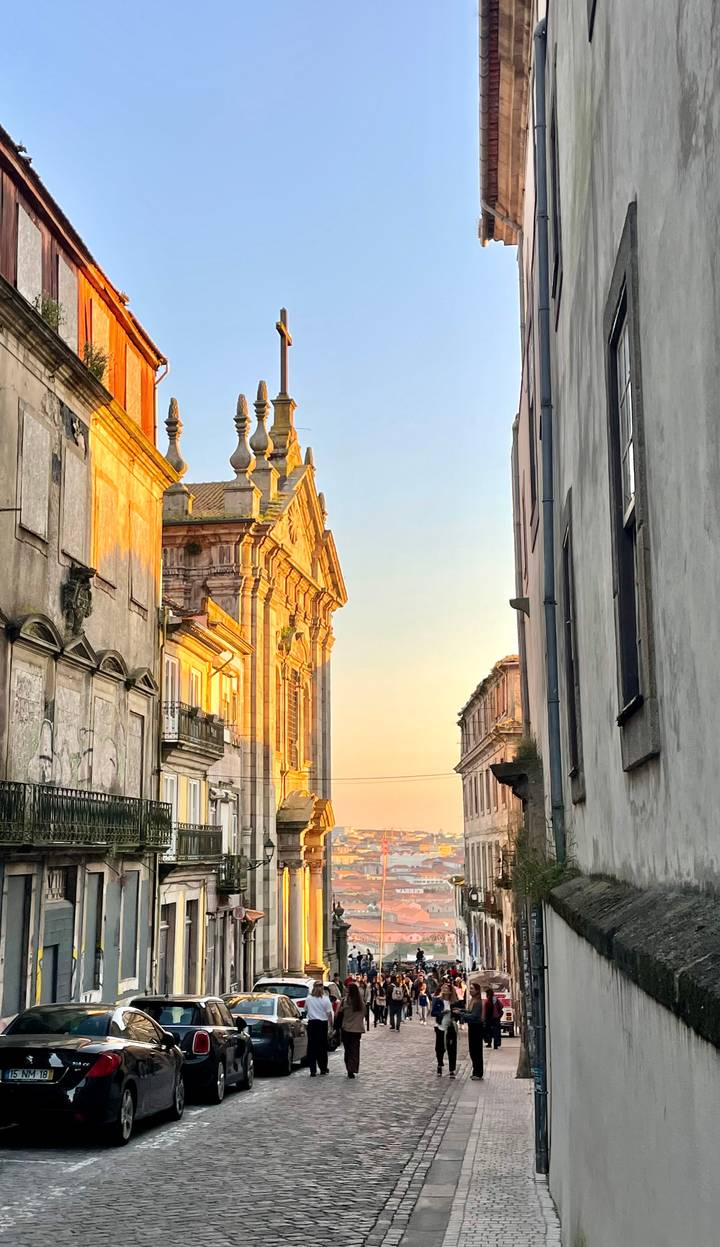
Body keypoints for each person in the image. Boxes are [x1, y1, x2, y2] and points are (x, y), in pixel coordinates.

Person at [305, 980, 333, 1076]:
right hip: (322, 1024)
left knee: (312, 1047)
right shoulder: (325, 999)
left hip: (312, 1024)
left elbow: (306, 1009)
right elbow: (329, 1014)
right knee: (322, 1048)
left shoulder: (309, 999)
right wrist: (331, 1026)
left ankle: (313, 1070)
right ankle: (323, 1068)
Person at [431, 983, 459, 1077]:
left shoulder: (454, 1002)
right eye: (443, 987)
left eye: (446, 988)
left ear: (450, 991)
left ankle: (452, 1069)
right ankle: (439, 1065)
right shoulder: (437, 1000)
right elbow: (433, 1012)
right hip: (440, 1027)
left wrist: (456, 1014)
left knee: (452, 1048)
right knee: (439, 1048)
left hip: (451, 1027)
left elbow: (458, 1014)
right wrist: (442, 1013)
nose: (444, 989)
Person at [340, 979, 366, 1078]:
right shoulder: (361, 1004)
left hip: (346, 1028)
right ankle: (353, 1067)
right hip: (357, 1029)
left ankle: (348, 1068)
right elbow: (364, 1014)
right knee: (355, 1049)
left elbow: (340, 1014)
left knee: (348, 1050)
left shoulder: (345, 1002)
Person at [459, 981, 485, 1079]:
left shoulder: (478, 1002)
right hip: (472, 1027)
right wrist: (461, 1011)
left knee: (476, 1051)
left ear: (477, 990)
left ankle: (478, 1073)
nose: (470, 991)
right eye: (470, 989)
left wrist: (462, 1014)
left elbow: (474, 1016)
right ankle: (475, 1071)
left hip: (476, 1027)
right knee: (472, 1050)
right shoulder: (473, 1000)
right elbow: (470, 1012)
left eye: (472, 989)